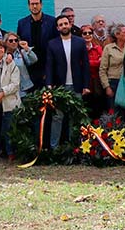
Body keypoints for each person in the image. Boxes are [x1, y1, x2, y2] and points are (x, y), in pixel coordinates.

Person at [45, 14, 90, 149]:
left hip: (77, 85)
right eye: (61, 24)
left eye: (66, 23)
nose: (64, 26)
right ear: (58, 28)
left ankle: (74, 147)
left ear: (70, 25)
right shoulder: (52, 44)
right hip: (59, 86)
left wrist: (86, 85)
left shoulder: (80, 42)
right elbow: (49, 65)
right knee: (57, 117)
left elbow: (85, 65)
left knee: (74, 117)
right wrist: (49, 83)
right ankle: (54, 147)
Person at [16, 0, 57, 89]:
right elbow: (19, 43)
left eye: (37, 3)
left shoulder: (52, 22)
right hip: (30, 67)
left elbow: (56, 43)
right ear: (28, 6)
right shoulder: (22, 23)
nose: (34, 6)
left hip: (47, 64)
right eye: (32, 4)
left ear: (41, 5)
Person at [99, 23, 125, 110]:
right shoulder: (108, 48)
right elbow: (102, 69)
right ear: (117, 35)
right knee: (114, 110)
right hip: (113, 82)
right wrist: (107, 86)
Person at [82, 24, 105, 119]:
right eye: (85, 33)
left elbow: (102, 62)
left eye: (90, 33)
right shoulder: (79, 48)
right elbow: (81, 64)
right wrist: (96, 62)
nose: (88, 35)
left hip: (97, 82)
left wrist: (87, 62)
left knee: (98, 107)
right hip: (84, 83)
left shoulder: (98, 48)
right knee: (86, 108)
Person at [5, 33, 37, 98]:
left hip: (23, 88)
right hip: (9, 88)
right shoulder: (3, 54)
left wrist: (27, 49)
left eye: (16, 40)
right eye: (11, 41)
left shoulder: (22, 52)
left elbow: (34, 60)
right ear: (5, 42)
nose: (14, 42)